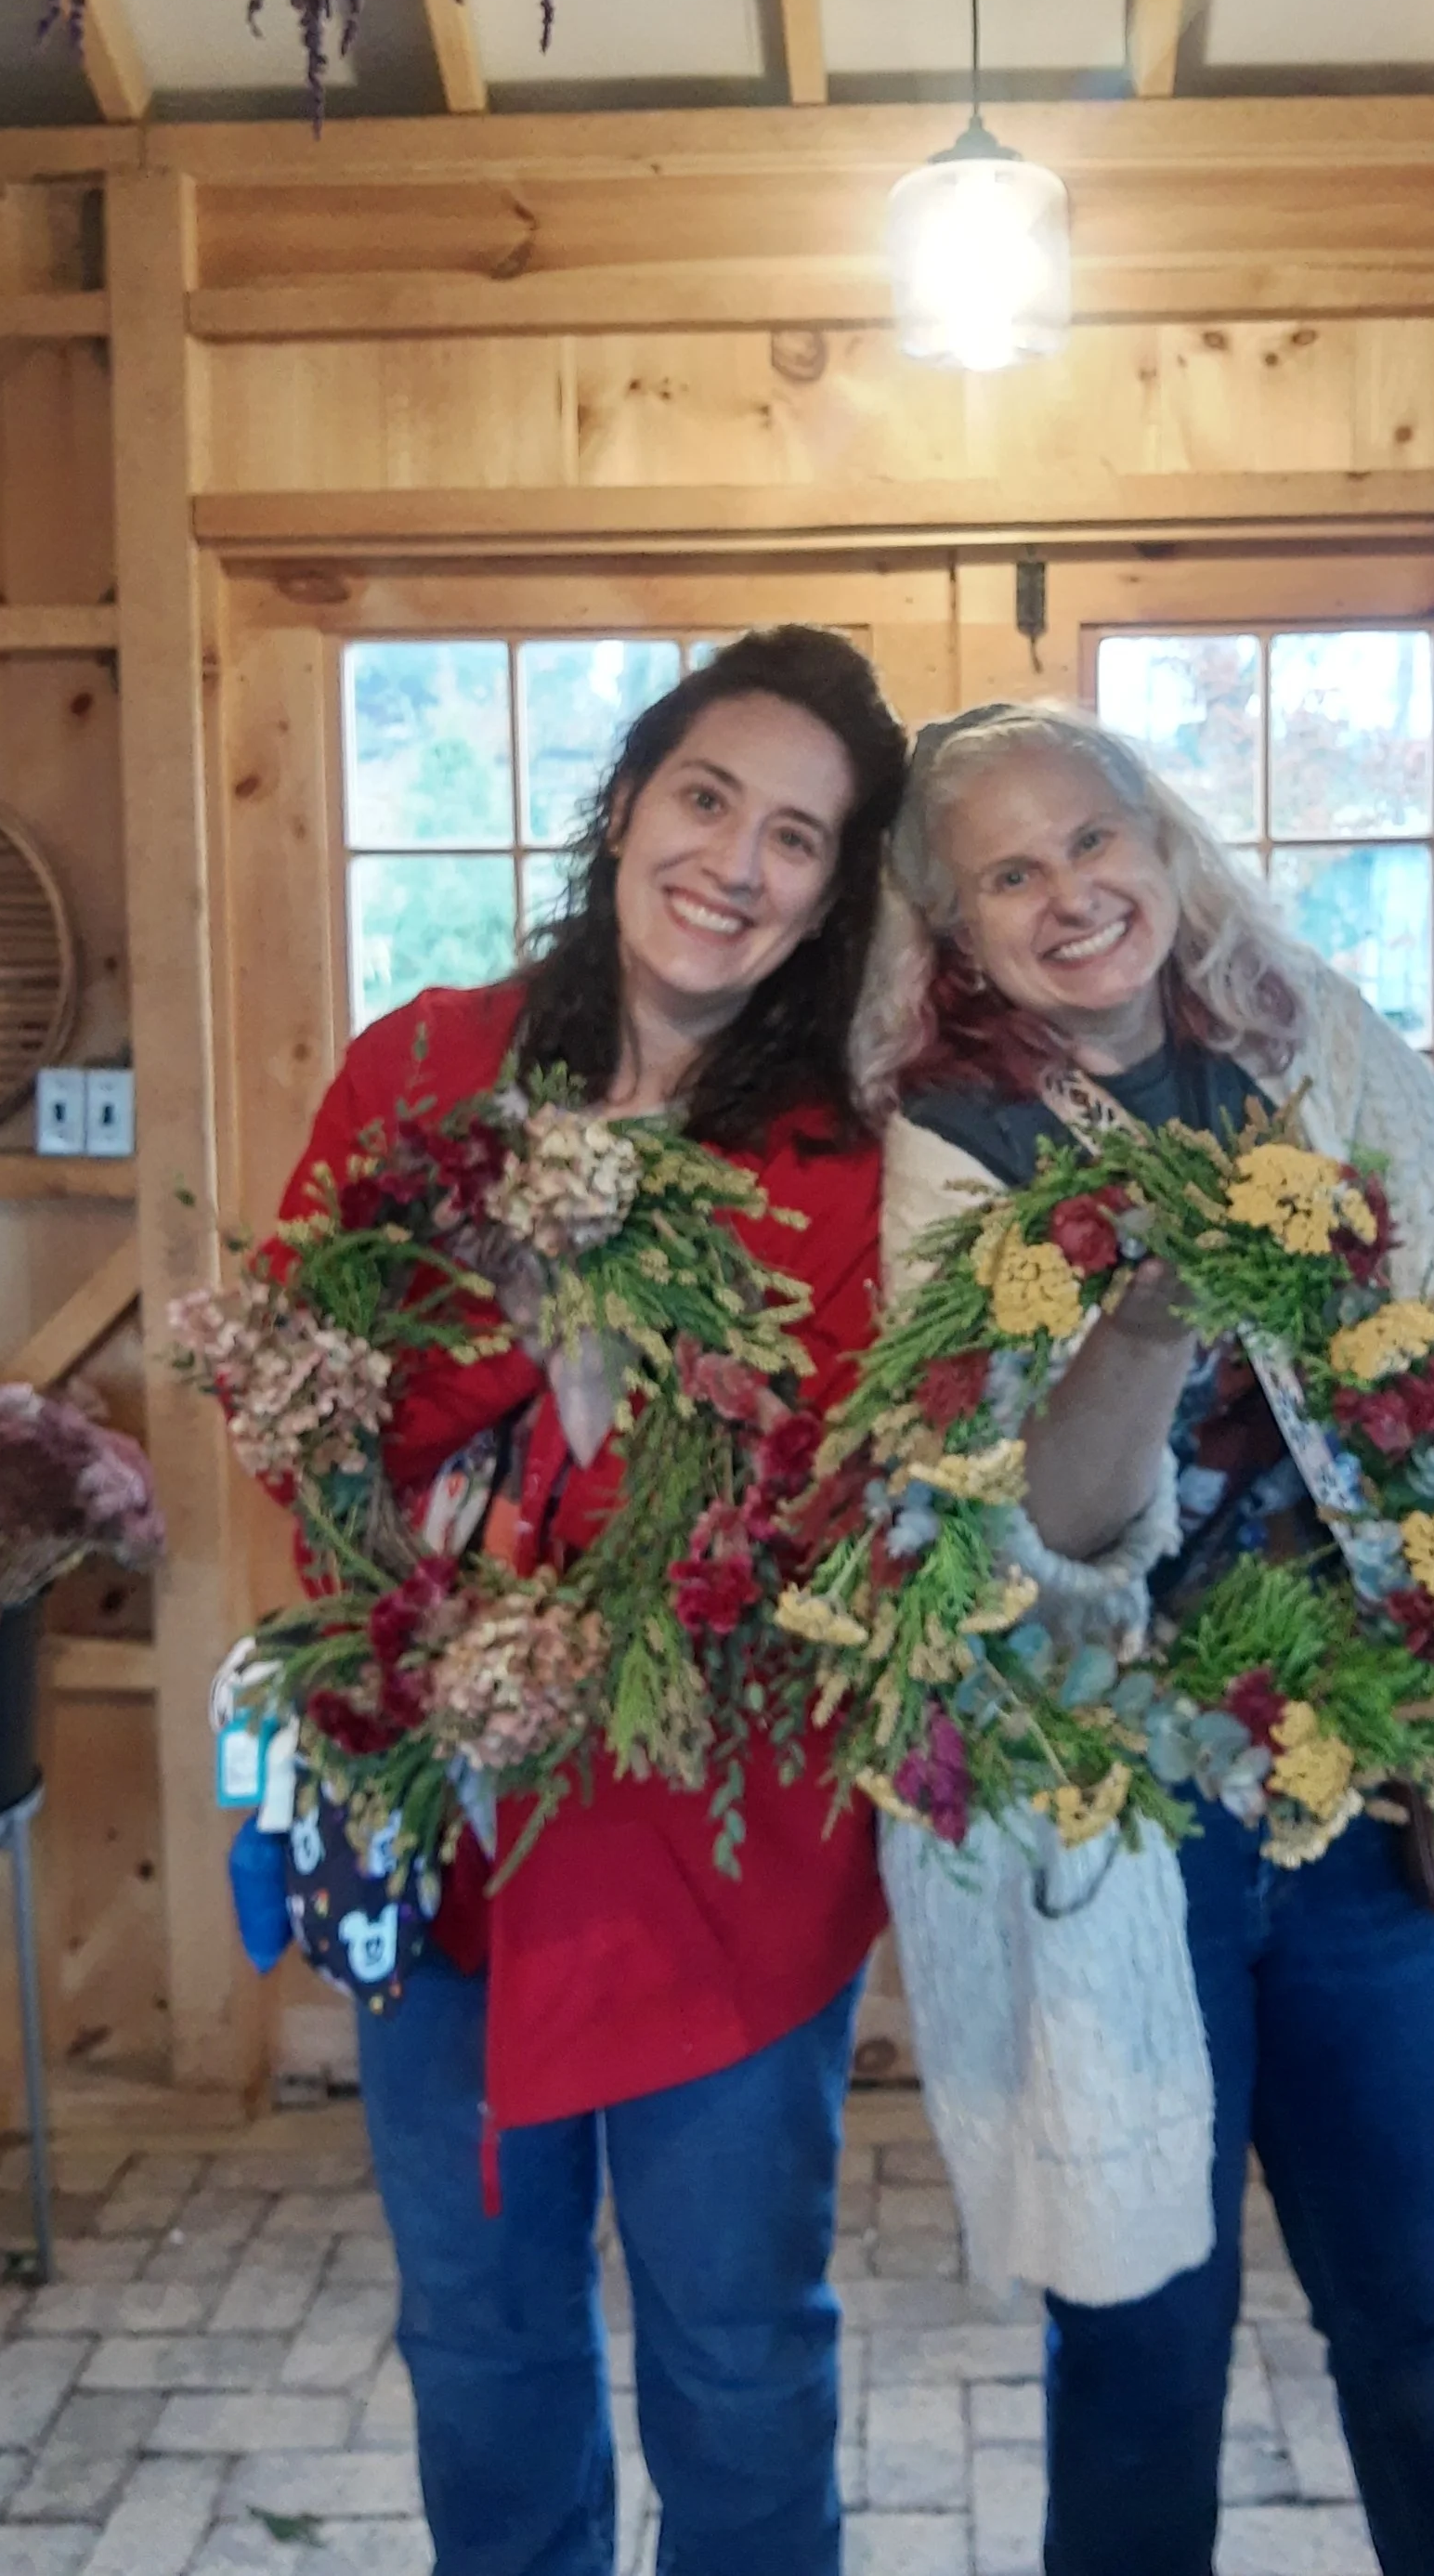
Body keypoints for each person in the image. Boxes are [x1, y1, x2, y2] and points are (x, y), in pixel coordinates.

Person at [860, 699, 1434, 2576]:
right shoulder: (954, 1145)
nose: (1070, 892)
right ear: (953, 924)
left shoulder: (1305, 1038)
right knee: (1143, 2345)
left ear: (1159, 844)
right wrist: (1147, 1326)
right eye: (1008, 872)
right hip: (1116, 1828)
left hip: (1354, 1798)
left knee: (1419, 2315)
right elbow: (1028, 1531)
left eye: (1094, 839)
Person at [275, 628, 907, 2576]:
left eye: (796, 837)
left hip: (713, 1849)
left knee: (730, 2351)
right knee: (476, 2335)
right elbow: (312, 1402)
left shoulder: (843, 1162)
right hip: (444, 1828)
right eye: (707, 795)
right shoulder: (422, 1065)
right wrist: (527, 1359)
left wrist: (585, 1546)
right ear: (627, 799)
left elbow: (814, 1488)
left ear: (833, 893)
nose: (734, 858)